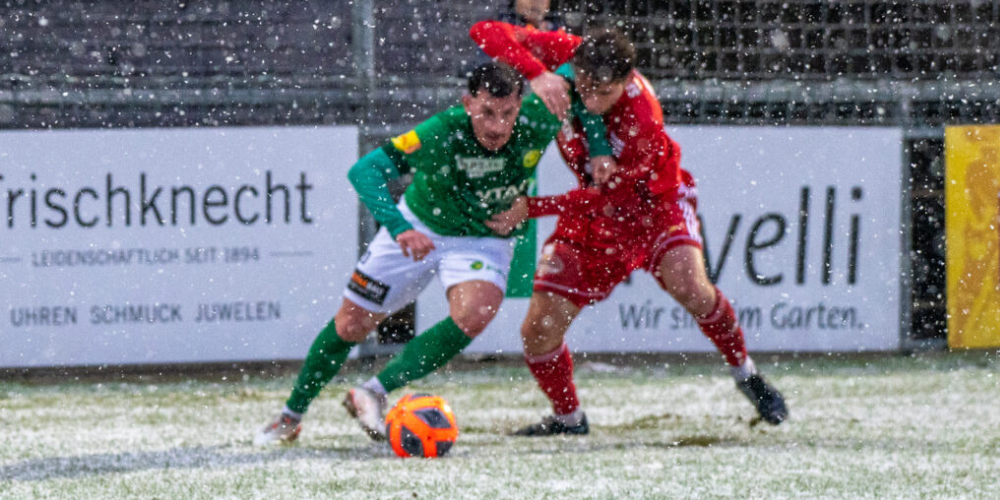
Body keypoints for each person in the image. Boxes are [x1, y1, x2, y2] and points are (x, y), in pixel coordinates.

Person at [253, 62, 612, 444]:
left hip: (482, 237)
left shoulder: (539, 117)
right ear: (467, 103)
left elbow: (581, 77)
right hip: (420, 223)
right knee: (350, 326)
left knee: (476, 312)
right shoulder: (441, 130)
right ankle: (290, 416)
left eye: (507, 114)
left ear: (520, 106)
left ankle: (372, 391)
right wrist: (399, 228)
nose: (497, 127)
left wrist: (600, 149)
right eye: (487, 113)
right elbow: (365, 171)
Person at [470, 21, 789, 435]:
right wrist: (537, 73)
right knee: (537, 330)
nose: (590, 100)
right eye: (584, 88)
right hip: (594, 216)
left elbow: (607, 198)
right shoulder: (573, 52)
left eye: (604, 93)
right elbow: (485, 31)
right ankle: (569, 419)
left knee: (691, 287)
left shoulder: (642, 120)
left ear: (625, 81)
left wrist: (530, 208)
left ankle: (746, 373)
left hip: (654, 206)